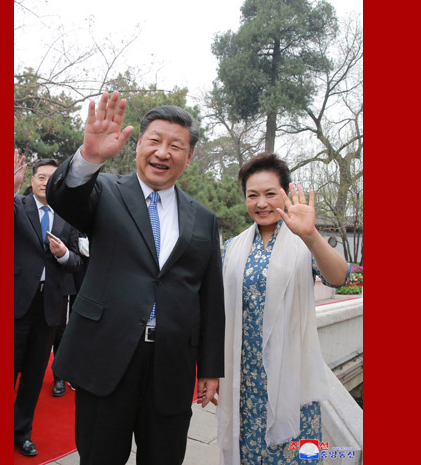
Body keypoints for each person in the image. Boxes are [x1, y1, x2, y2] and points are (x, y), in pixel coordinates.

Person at [46, 91, 225, 465]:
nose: (163, 153)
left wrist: (210, 367)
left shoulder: (203, 220)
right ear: (139, 143)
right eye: (155, 141)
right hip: (106, 356)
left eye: (176, 146)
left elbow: (210, 298)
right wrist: (89, 157)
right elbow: (65, 197)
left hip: (171, 366)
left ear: (189, 156)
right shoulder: (104, 191)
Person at [217, 152, 350, 465]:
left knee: (296, 454)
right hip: (246, 381)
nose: (261, 203)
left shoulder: (302, 240)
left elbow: (339, 277)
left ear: (285, 194)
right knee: (248, 454)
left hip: (292, 376)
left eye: (270, 194)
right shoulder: (232, 248)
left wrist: (311, 235)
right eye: (253, 195)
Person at [14, 154, 82, 457]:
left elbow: (76, 261)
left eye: (52, 179)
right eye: (41, 177)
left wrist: (63, 254)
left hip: (50, 308)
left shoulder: (67, 217)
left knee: (33, 375)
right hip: (16, 303)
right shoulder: (18, 206)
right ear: (32, 180)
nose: (45, 183)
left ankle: (21, 432)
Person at [50, 231, 90, 396]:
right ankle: (59, 374)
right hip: (61, 272)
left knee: (78, 324)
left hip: (86, 271)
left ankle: (68, 372)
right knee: (59, 326)